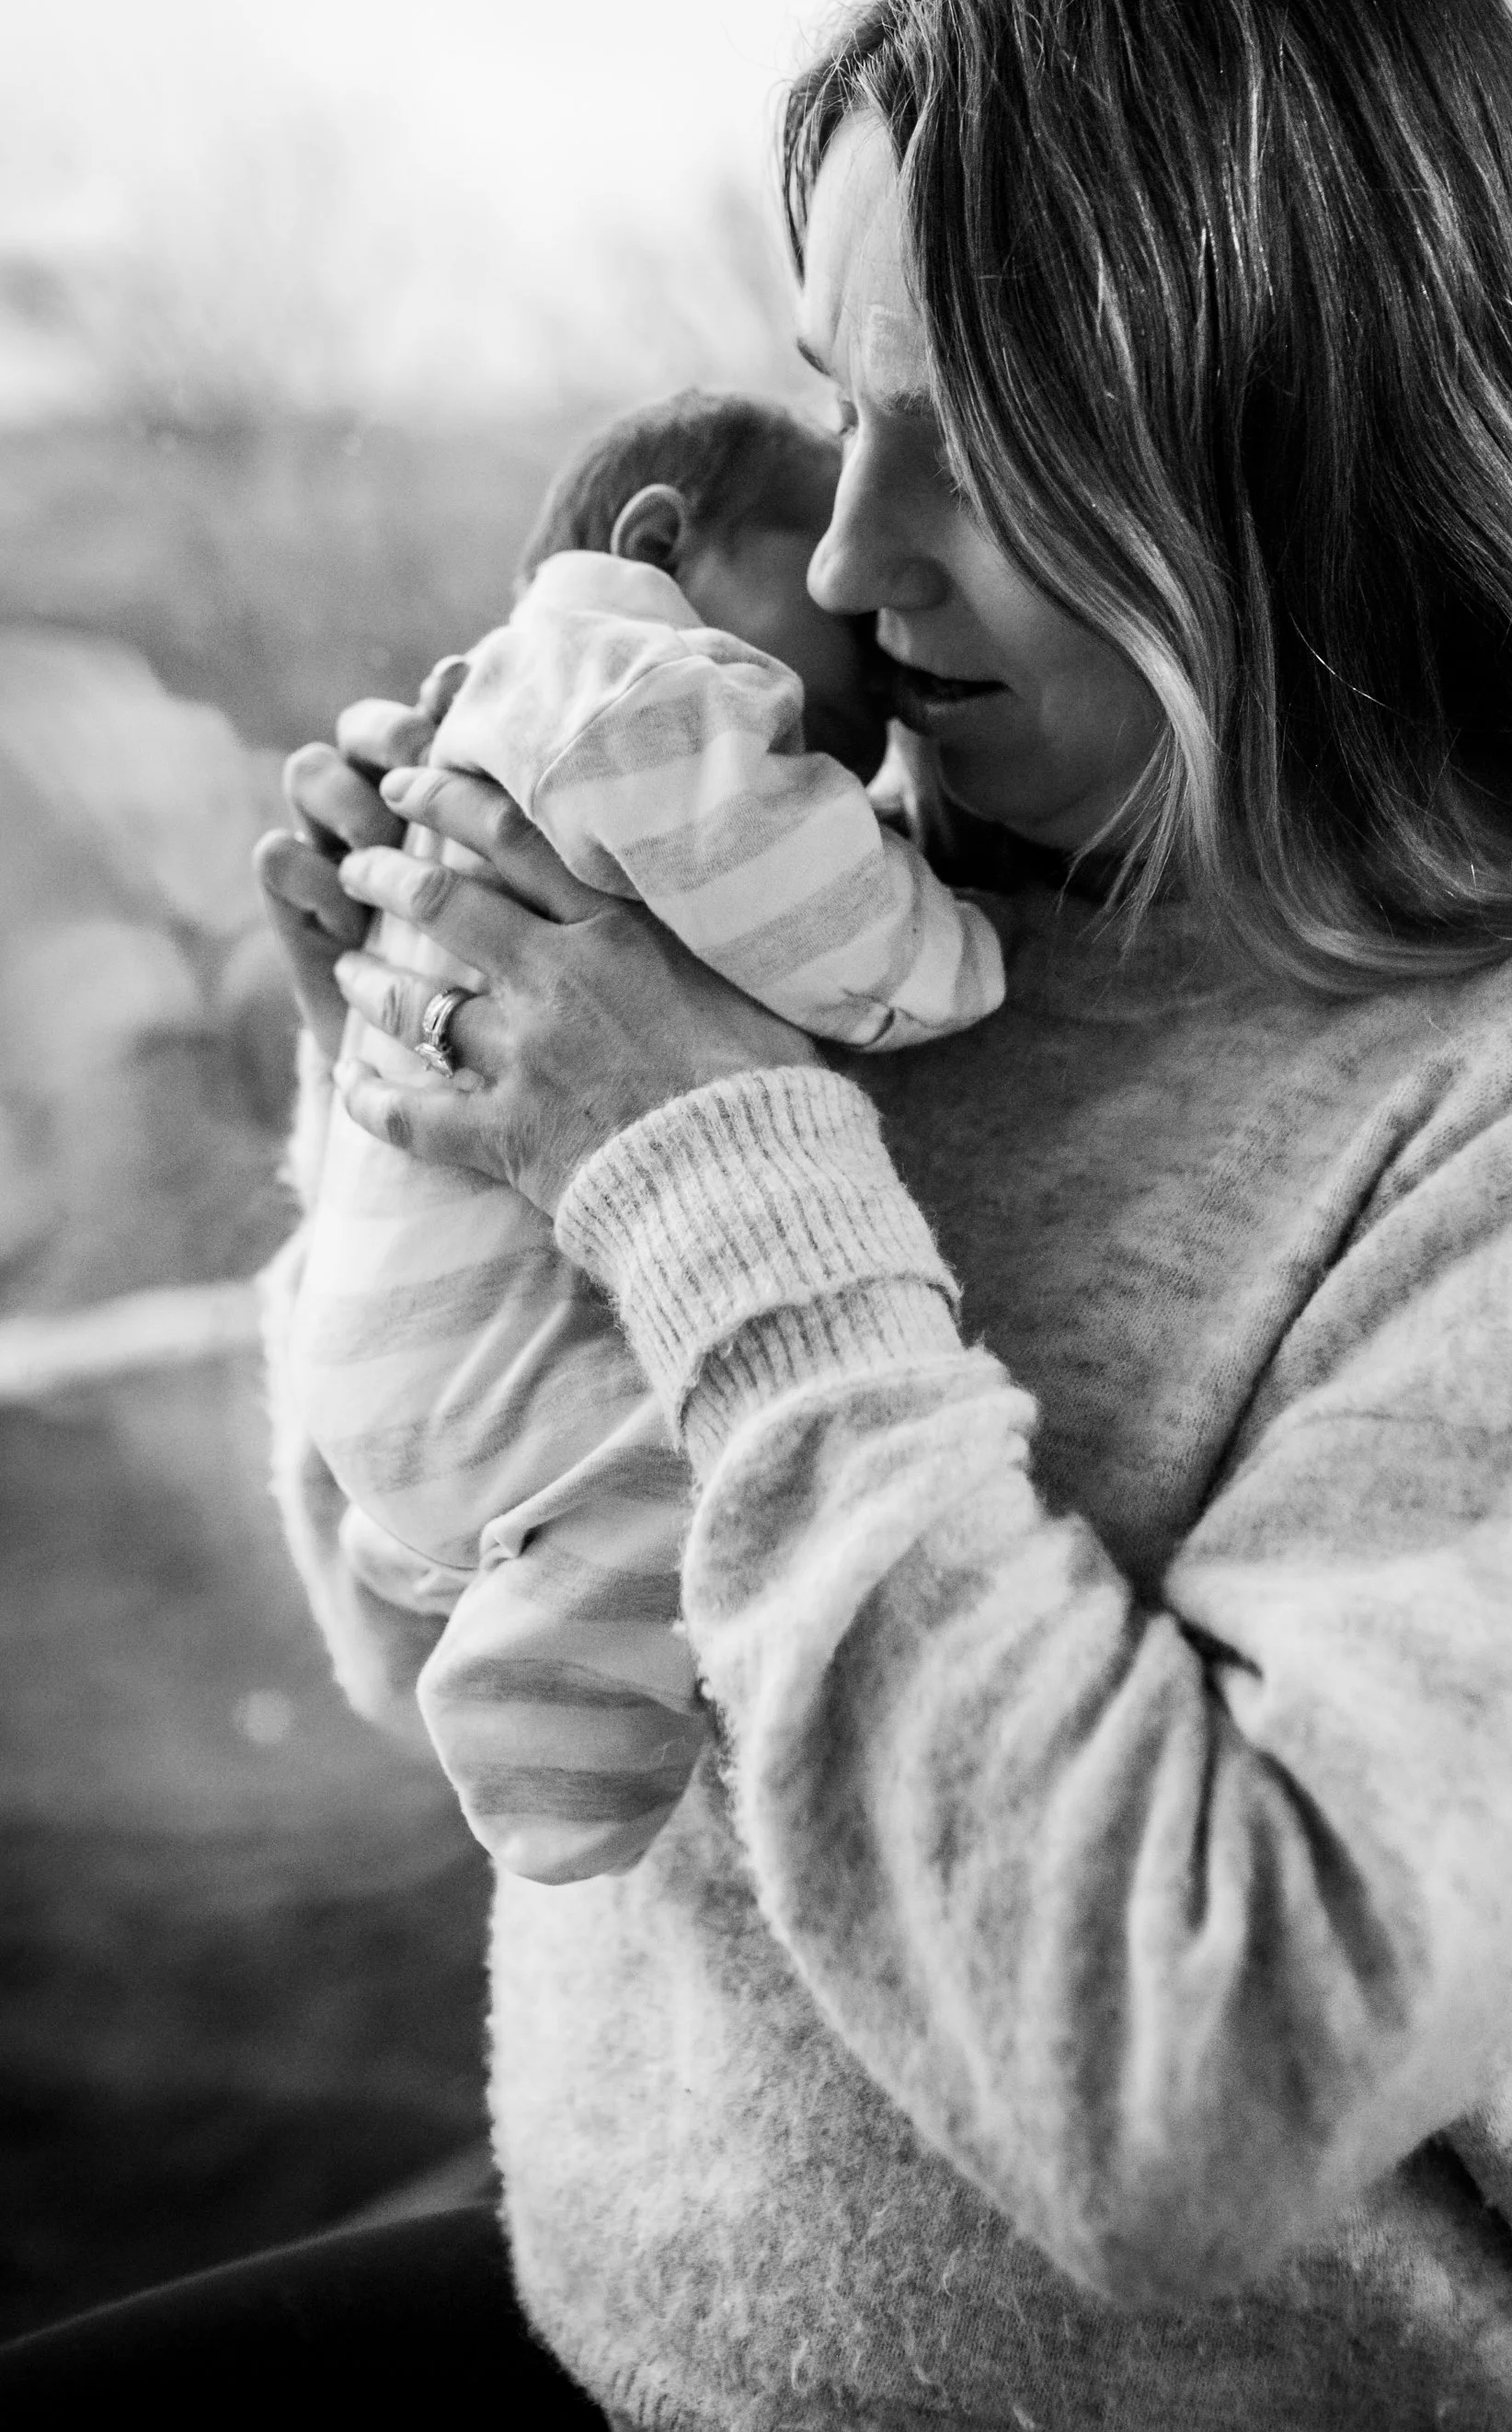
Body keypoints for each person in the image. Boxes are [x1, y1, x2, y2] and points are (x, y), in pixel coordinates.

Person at [6, 0, 1512, 2432]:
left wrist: (707, 1174)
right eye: (847, 409)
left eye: (976, 444)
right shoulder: (821, 905)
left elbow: (1200, 2099)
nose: (857, 562)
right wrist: (412, 1122)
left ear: (1303, 450)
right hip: (644, 2348)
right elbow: (471, 1679)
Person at [288, 389, 1003, 1880]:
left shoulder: (525, 699)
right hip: (475, 1389)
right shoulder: (629, 680)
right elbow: (829, 927)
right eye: (822, 526)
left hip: (410, 1375)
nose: (858, 588)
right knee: (699, 1454)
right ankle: (542, 1707)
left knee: (662, 1464)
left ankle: (512, 1623)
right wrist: (943, 947)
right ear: (659, 544)